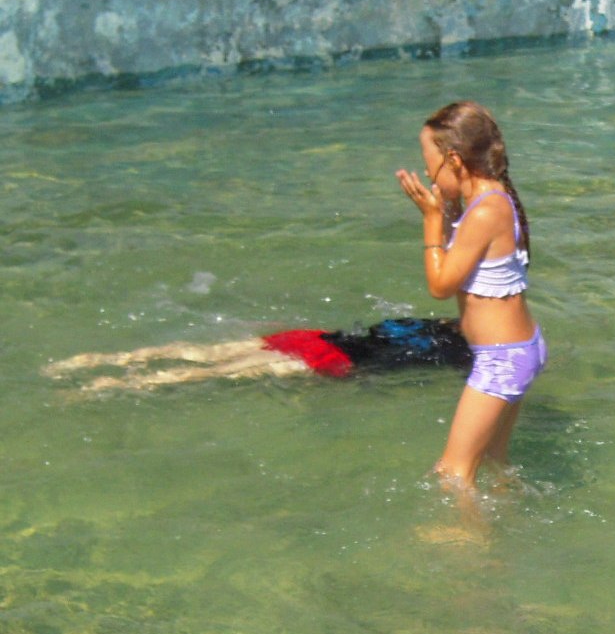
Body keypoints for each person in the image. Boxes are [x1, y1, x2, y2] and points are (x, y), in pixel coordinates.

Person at [395, 102, 546, 492]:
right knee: (494, 463)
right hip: (516, 350)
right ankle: (508, 521)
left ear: (454, 160)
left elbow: (441, 286)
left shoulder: (485, 213)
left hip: (502, 359)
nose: (428, 173)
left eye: (430, 164)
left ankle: (461, 535)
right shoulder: (491, 199)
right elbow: (458, 254)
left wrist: (431, 220)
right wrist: (446, 206)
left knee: (452, 474)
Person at [44, 318, 472, 393]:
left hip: (314, 337)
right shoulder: (464, 351)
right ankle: (113, 385)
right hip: (329, 361)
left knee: (203, 354)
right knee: (213, 374)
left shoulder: (433, 322)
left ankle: (97, 362)